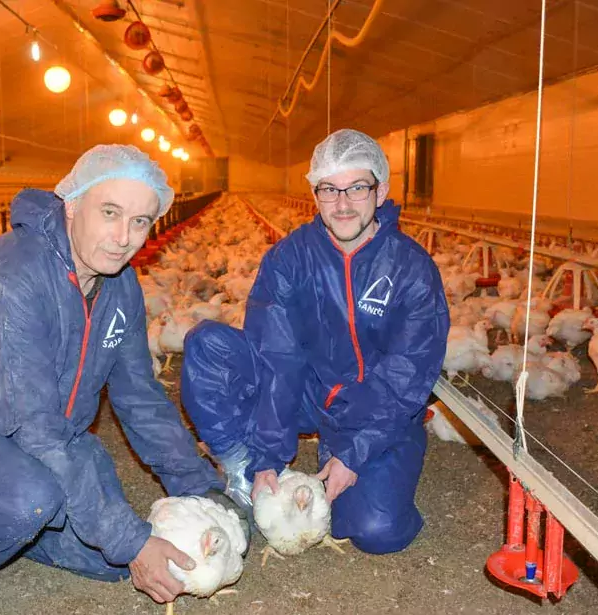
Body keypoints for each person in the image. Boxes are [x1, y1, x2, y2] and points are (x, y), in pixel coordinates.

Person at [0, 144, 242, 615]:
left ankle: (20, 528)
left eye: (140, 221)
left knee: (112, 561)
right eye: (110, 212)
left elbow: (140, 396)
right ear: (72, 205)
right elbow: (33, 427)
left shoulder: (119, 285)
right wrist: (131, 540)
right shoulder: (11, 276)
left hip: (52, 425)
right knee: (34, 498)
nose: (124, 237)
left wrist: (199, 487)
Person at [181, 129, 449, 555]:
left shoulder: (411, 269)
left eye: (357, 187)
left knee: (375, 530)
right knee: (207, 344)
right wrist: (269, 456)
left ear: (381, 192)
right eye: (329, 189)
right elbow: (277, 357)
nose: (342, 203)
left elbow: (407, 375)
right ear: (315, 193)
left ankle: (355, 454)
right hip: (307, 390)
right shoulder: (291, 258)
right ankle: (241, 468)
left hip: (373, 406)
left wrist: (353, 452)